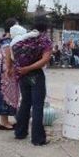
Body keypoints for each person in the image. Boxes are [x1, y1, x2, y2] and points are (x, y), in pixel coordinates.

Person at [12, 17, 52, 146]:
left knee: (25, 103)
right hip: (35, 75)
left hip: (22, 75)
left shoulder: (25, 38)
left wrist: (23, 69)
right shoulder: (44, 40)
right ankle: (38, 138)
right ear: (46, 29)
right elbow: (45, 60)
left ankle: (20, 132)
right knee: (37, 106)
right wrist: (29, 68)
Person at [0, 18, 18, 131]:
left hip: (7, 71)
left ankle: (5, 121)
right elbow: (7, 54)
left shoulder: (8, 39)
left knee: (7, 95)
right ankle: (3, 123)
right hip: (5, 72)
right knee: (3, 95)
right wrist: (9, 67)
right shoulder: (7, 40)